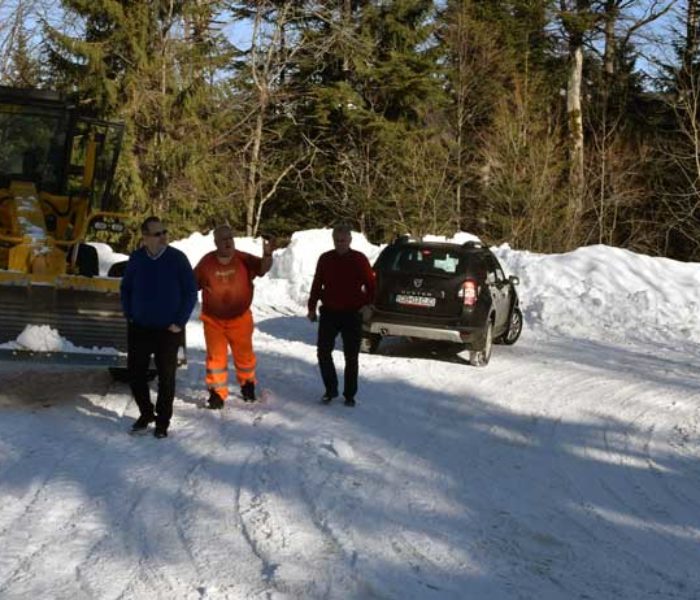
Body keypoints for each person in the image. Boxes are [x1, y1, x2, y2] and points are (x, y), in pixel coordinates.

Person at [120, 217, 197, 438]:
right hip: (140, 328)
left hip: (168, 330)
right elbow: (126, 288)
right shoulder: (136, 259)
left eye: (165, 232)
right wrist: (129, 314)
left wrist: (179, 322)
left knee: (166, 378)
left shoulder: (177, 259)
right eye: (157, 234)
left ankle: (163, 422)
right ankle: (146, 414)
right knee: (135, 375)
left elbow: (190, 292)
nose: (164, 237)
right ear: (145, 238)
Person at [194, 225, 273, 408]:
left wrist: (267, 255)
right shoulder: (206, 263)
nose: (228, 242)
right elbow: (191, 284)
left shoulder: (243, 259)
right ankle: (217, 393)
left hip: (240, 319)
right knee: (216, 358)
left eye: (230, 238)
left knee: (244, 356)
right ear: (215, 243)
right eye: (223, 239)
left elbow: (263, 268)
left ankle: (247, 385)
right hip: (213, 321)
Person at [307, 223, 375, 406]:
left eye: (343, 240)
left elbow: (371, 285)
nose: (340, 244)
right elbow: (317, 284)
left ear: (350, 240)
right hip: (329, 312)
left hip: (352, 314)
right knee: (323, 352)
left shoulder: (359, 260)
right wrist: (311, 307)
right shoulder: (326, 259)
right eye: (337, 240)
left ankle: (350, 394)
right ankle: (330, 389)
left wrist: (368, 305)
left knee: (351, 356)